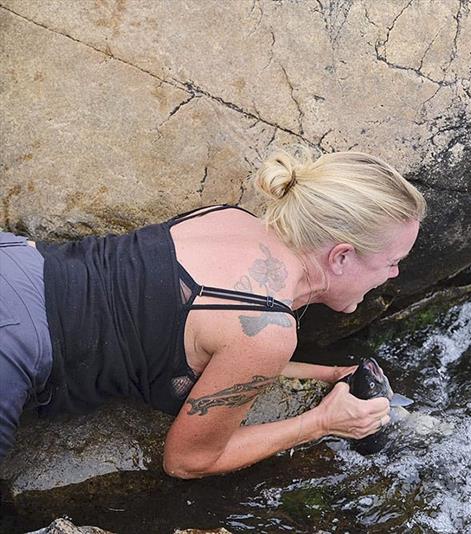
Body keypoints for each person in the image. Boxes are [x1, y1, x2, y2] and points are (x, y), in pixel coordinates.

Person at [0, 146, 426, 478]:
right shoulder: (269, 329)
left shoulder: (231, 219)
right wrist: (322, 422)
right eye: (392, 261)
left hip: (17, 260)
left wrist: (327, 376)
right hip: (13, 347)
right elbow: (188, 460)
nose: (395, 273)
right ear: (342, 257)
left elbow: (210, 348)